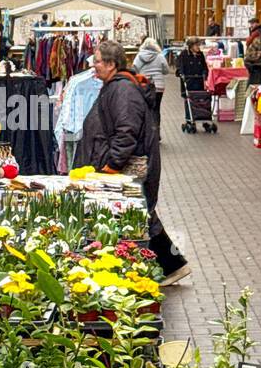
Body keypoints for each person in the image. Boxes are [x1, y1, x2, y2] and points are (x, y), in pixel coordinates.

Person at [77, 39, 190, 285]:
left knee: (139, 214)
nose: (93, 66)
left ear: (110, 63)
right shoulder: (117, 85)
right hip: (125, 162)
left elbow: (126, 130)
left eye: (96, 61)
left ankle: (169, 266)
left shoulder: (123, 90)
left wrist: (113, 165)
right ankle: (172, 266)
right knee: (142, 213)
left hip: (129, 165)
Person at [132, 36, 169, 117]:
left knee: (146, 107)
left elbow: (134, 69)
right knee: (156, 108)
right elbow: (166, 71)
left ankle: (148, 127)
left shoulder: (139, 56)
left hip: (144, 84)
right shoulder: (160, 56)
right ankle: (156, 127)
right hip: (159, 86)